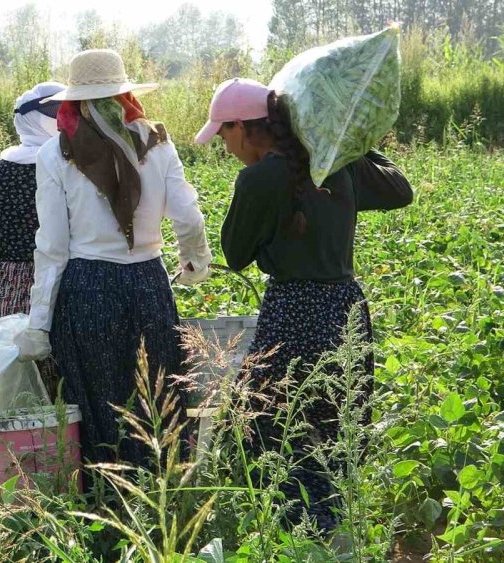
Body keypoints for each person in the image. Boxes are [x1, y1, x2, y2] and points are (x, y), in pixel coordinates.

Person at [195, 78, 413, 532]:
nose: (225, 146)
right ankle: (334, 530)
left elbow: (236, 254)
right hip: (343, 310)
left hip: (292, 312)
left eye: (224, 134)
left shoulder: (258, 179)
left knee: (275, 428)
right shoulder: (333, 164)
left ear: (243, 128)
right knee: (334, 428)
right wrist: (345, 142)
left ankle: (298, 533)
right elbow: (400, 190)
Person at [15, 49, 213, 469]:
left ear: (75, 102)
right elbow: (187, 215)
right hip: (148, 282)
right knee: (157, 394)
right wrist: (194, 262)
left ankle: (109, 495)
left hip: (88, 288)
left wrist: (38, 324)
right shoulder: (157, 142)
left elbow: (52, 247)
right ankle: (163, 487)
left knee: (102, 401)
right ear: (125, 95)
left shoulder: (55, 153)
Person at [0, 81, 66, 398]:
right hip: (60, 287)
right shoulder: (69, 168)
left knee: (13, 394)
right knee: (64, 393)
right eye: (57, 110)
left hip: (4, 294)